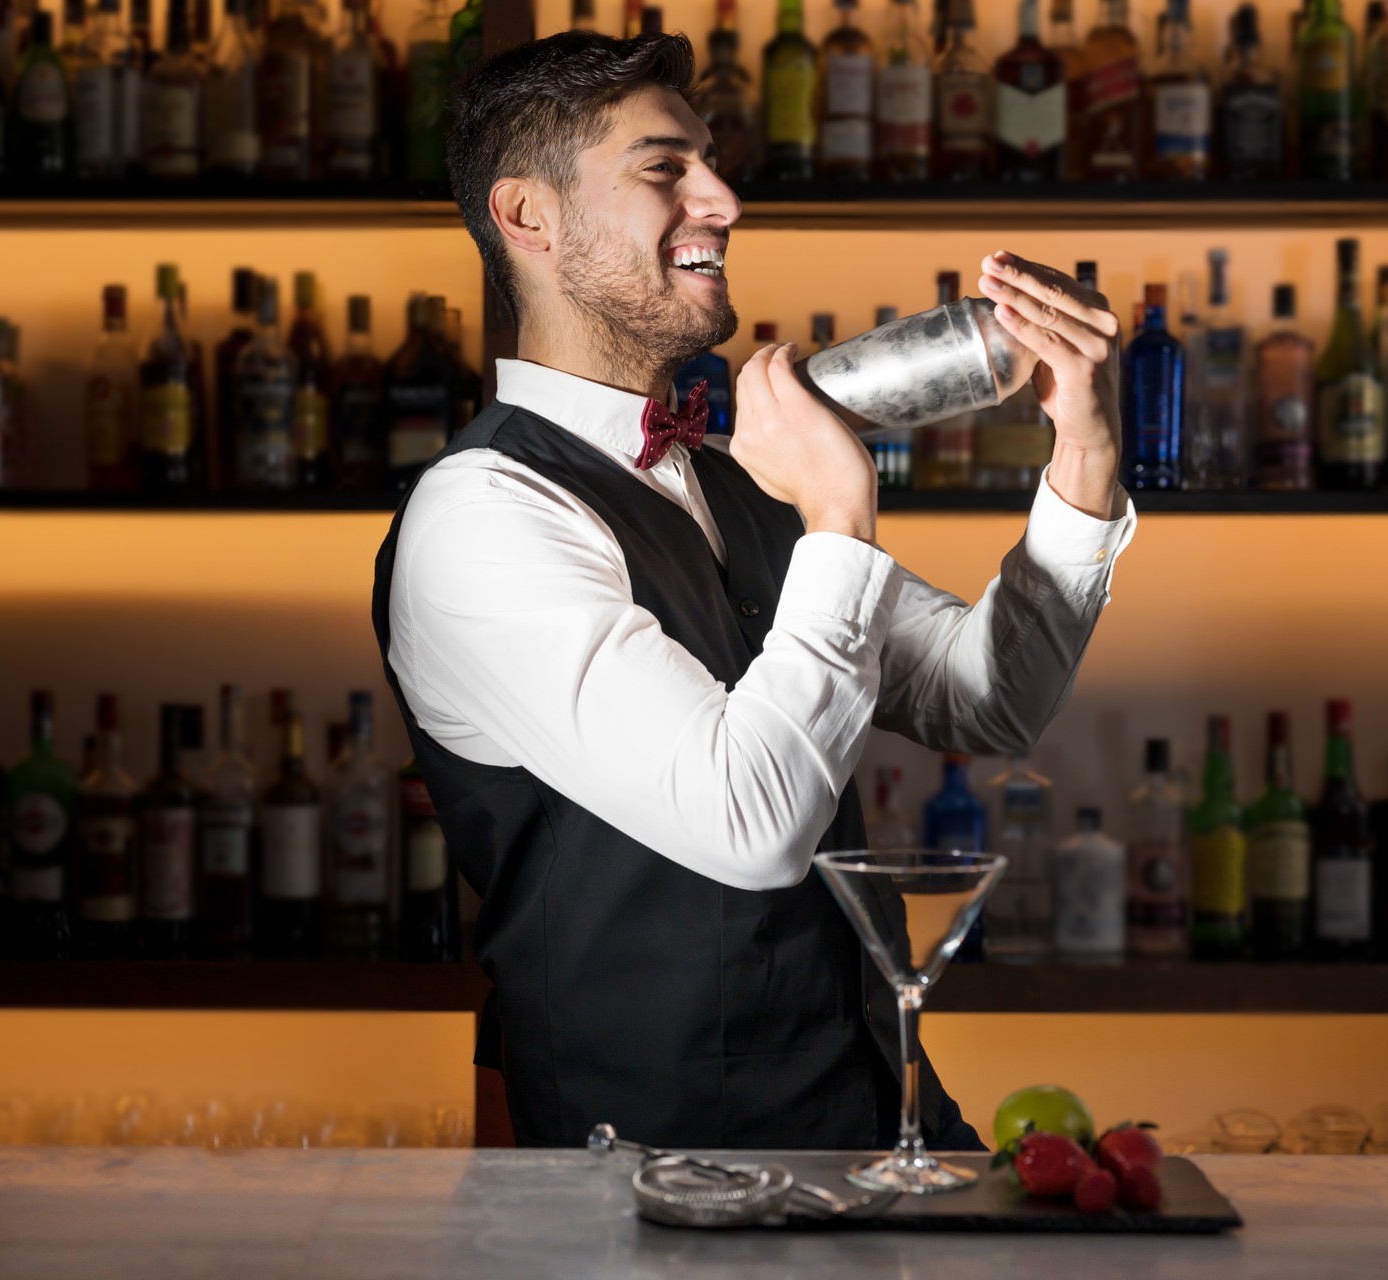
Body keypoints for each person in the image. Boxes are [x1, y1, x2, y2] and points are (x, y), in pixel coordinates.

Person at [372, 29, 1137, 1151]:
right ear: (529, 218)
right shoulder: (483, 517)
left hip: (878, 1133)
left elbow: (989, 700)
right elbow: (751, 819)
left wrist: (1083, 456)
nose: (723, 199)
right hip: (653, 1194)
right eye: (664, 169)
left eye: (714, 162)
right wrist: (839, 511)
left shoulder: (729, 479)